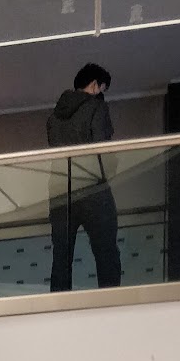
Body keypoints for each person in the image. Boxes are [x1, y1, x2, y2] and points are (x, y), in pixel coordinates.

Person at [47, 63, 121, 292]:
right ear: (94, 85)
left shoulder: (54, 116)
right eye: (102, 88)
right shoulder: (97, 107)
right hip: (92, 188)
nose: (101, 94)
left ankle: (60, 305)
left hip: (60, 190)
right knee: (106, 251)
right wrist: (110, 170)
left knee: (61, 257)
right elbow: (102, 147)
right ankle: (111, 303)